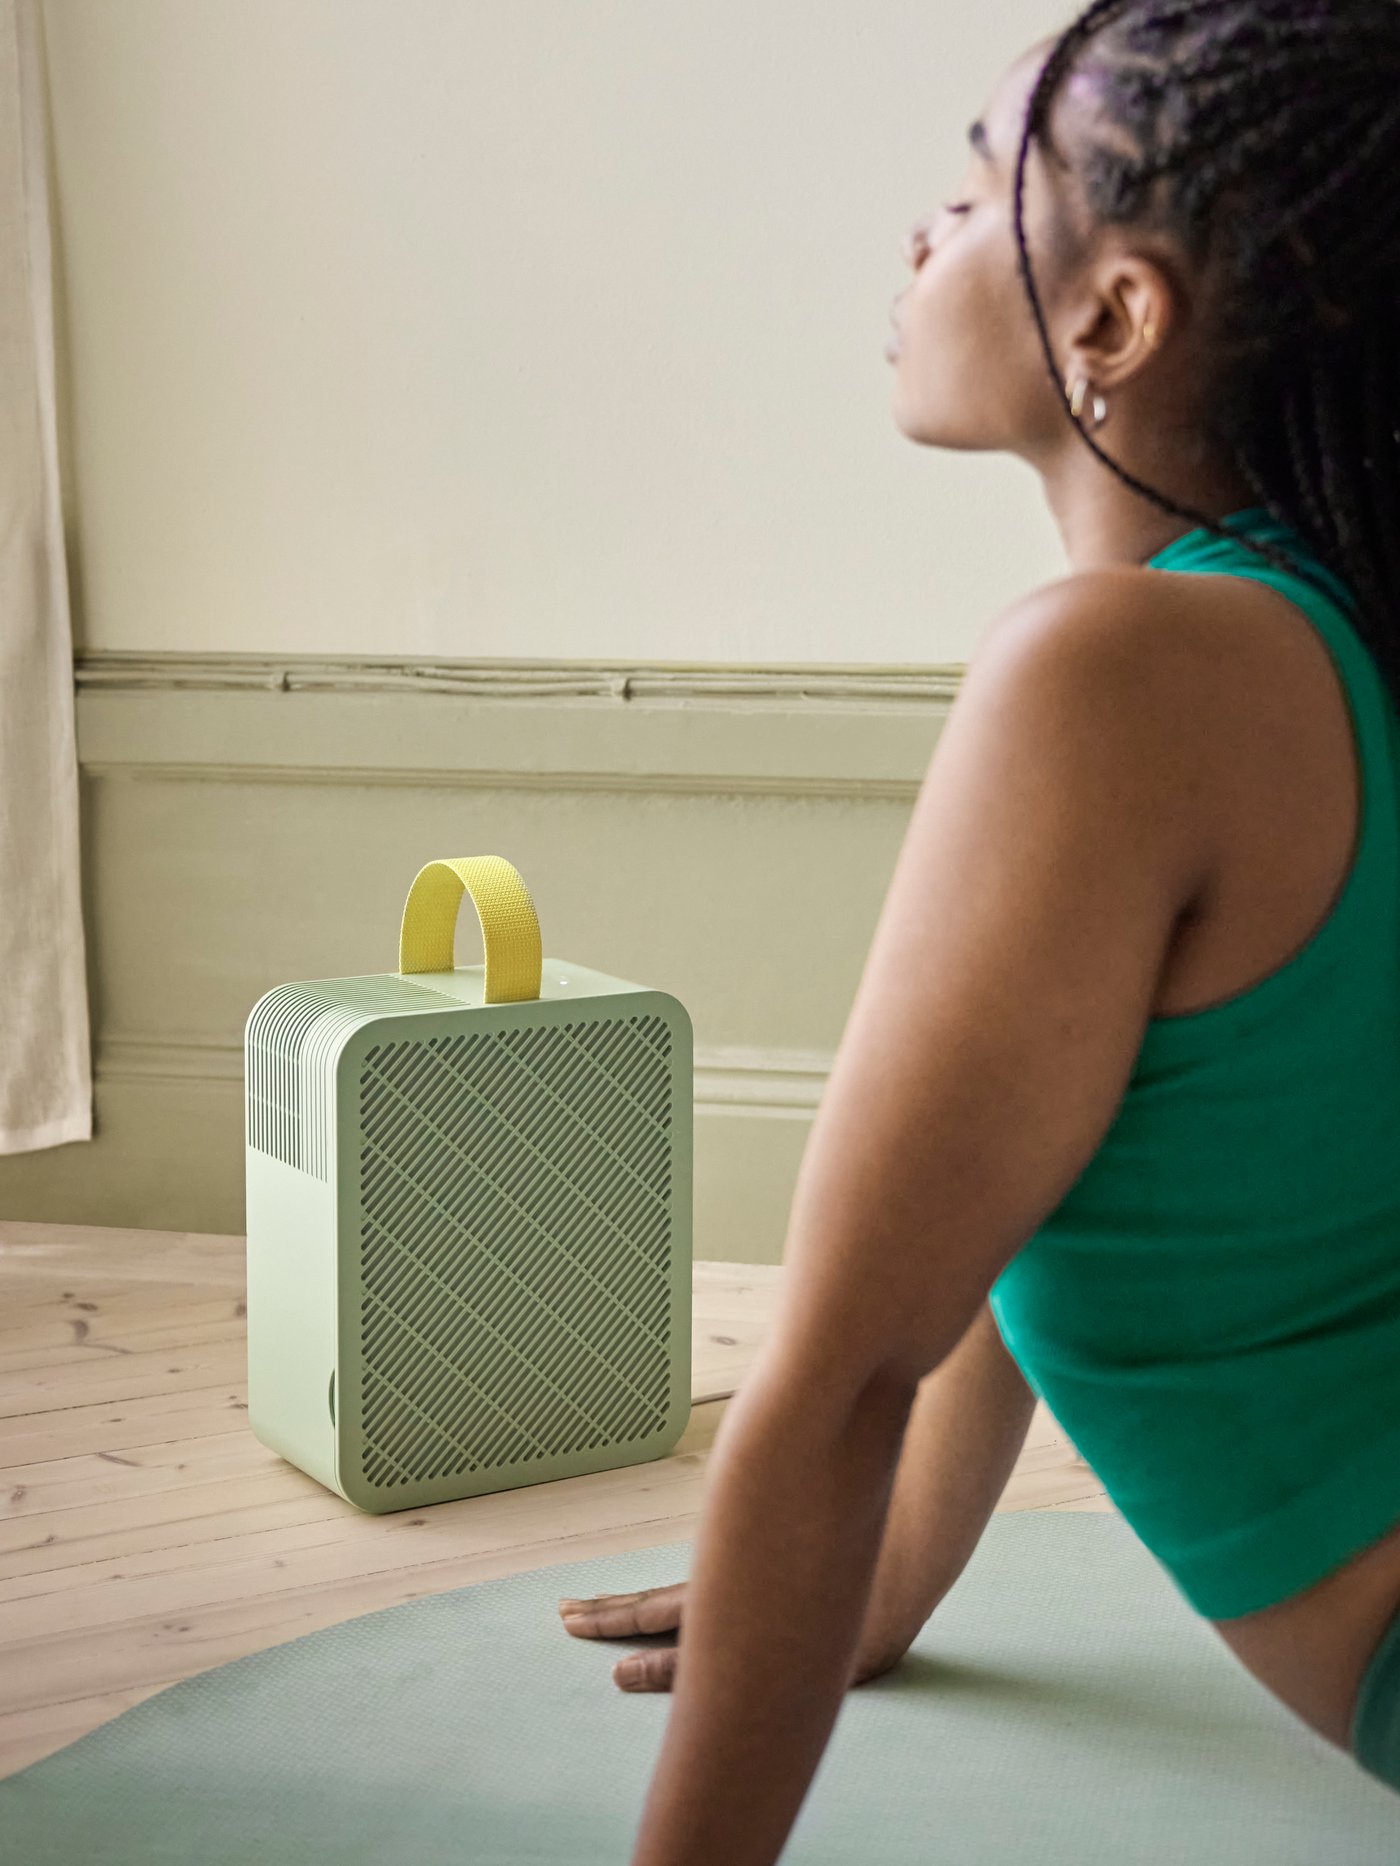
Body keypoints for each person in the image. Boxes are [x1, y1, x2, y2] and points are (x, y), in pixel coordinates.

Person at [559, 4, 1400, 1856]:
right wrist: (879, 1585)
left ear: (1114, 317)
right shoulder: (1319, 638)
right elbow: (1057, 1153)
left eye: (966, 189)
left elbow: (848, 1364)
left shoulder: (1115, 678)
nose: (918, 236)